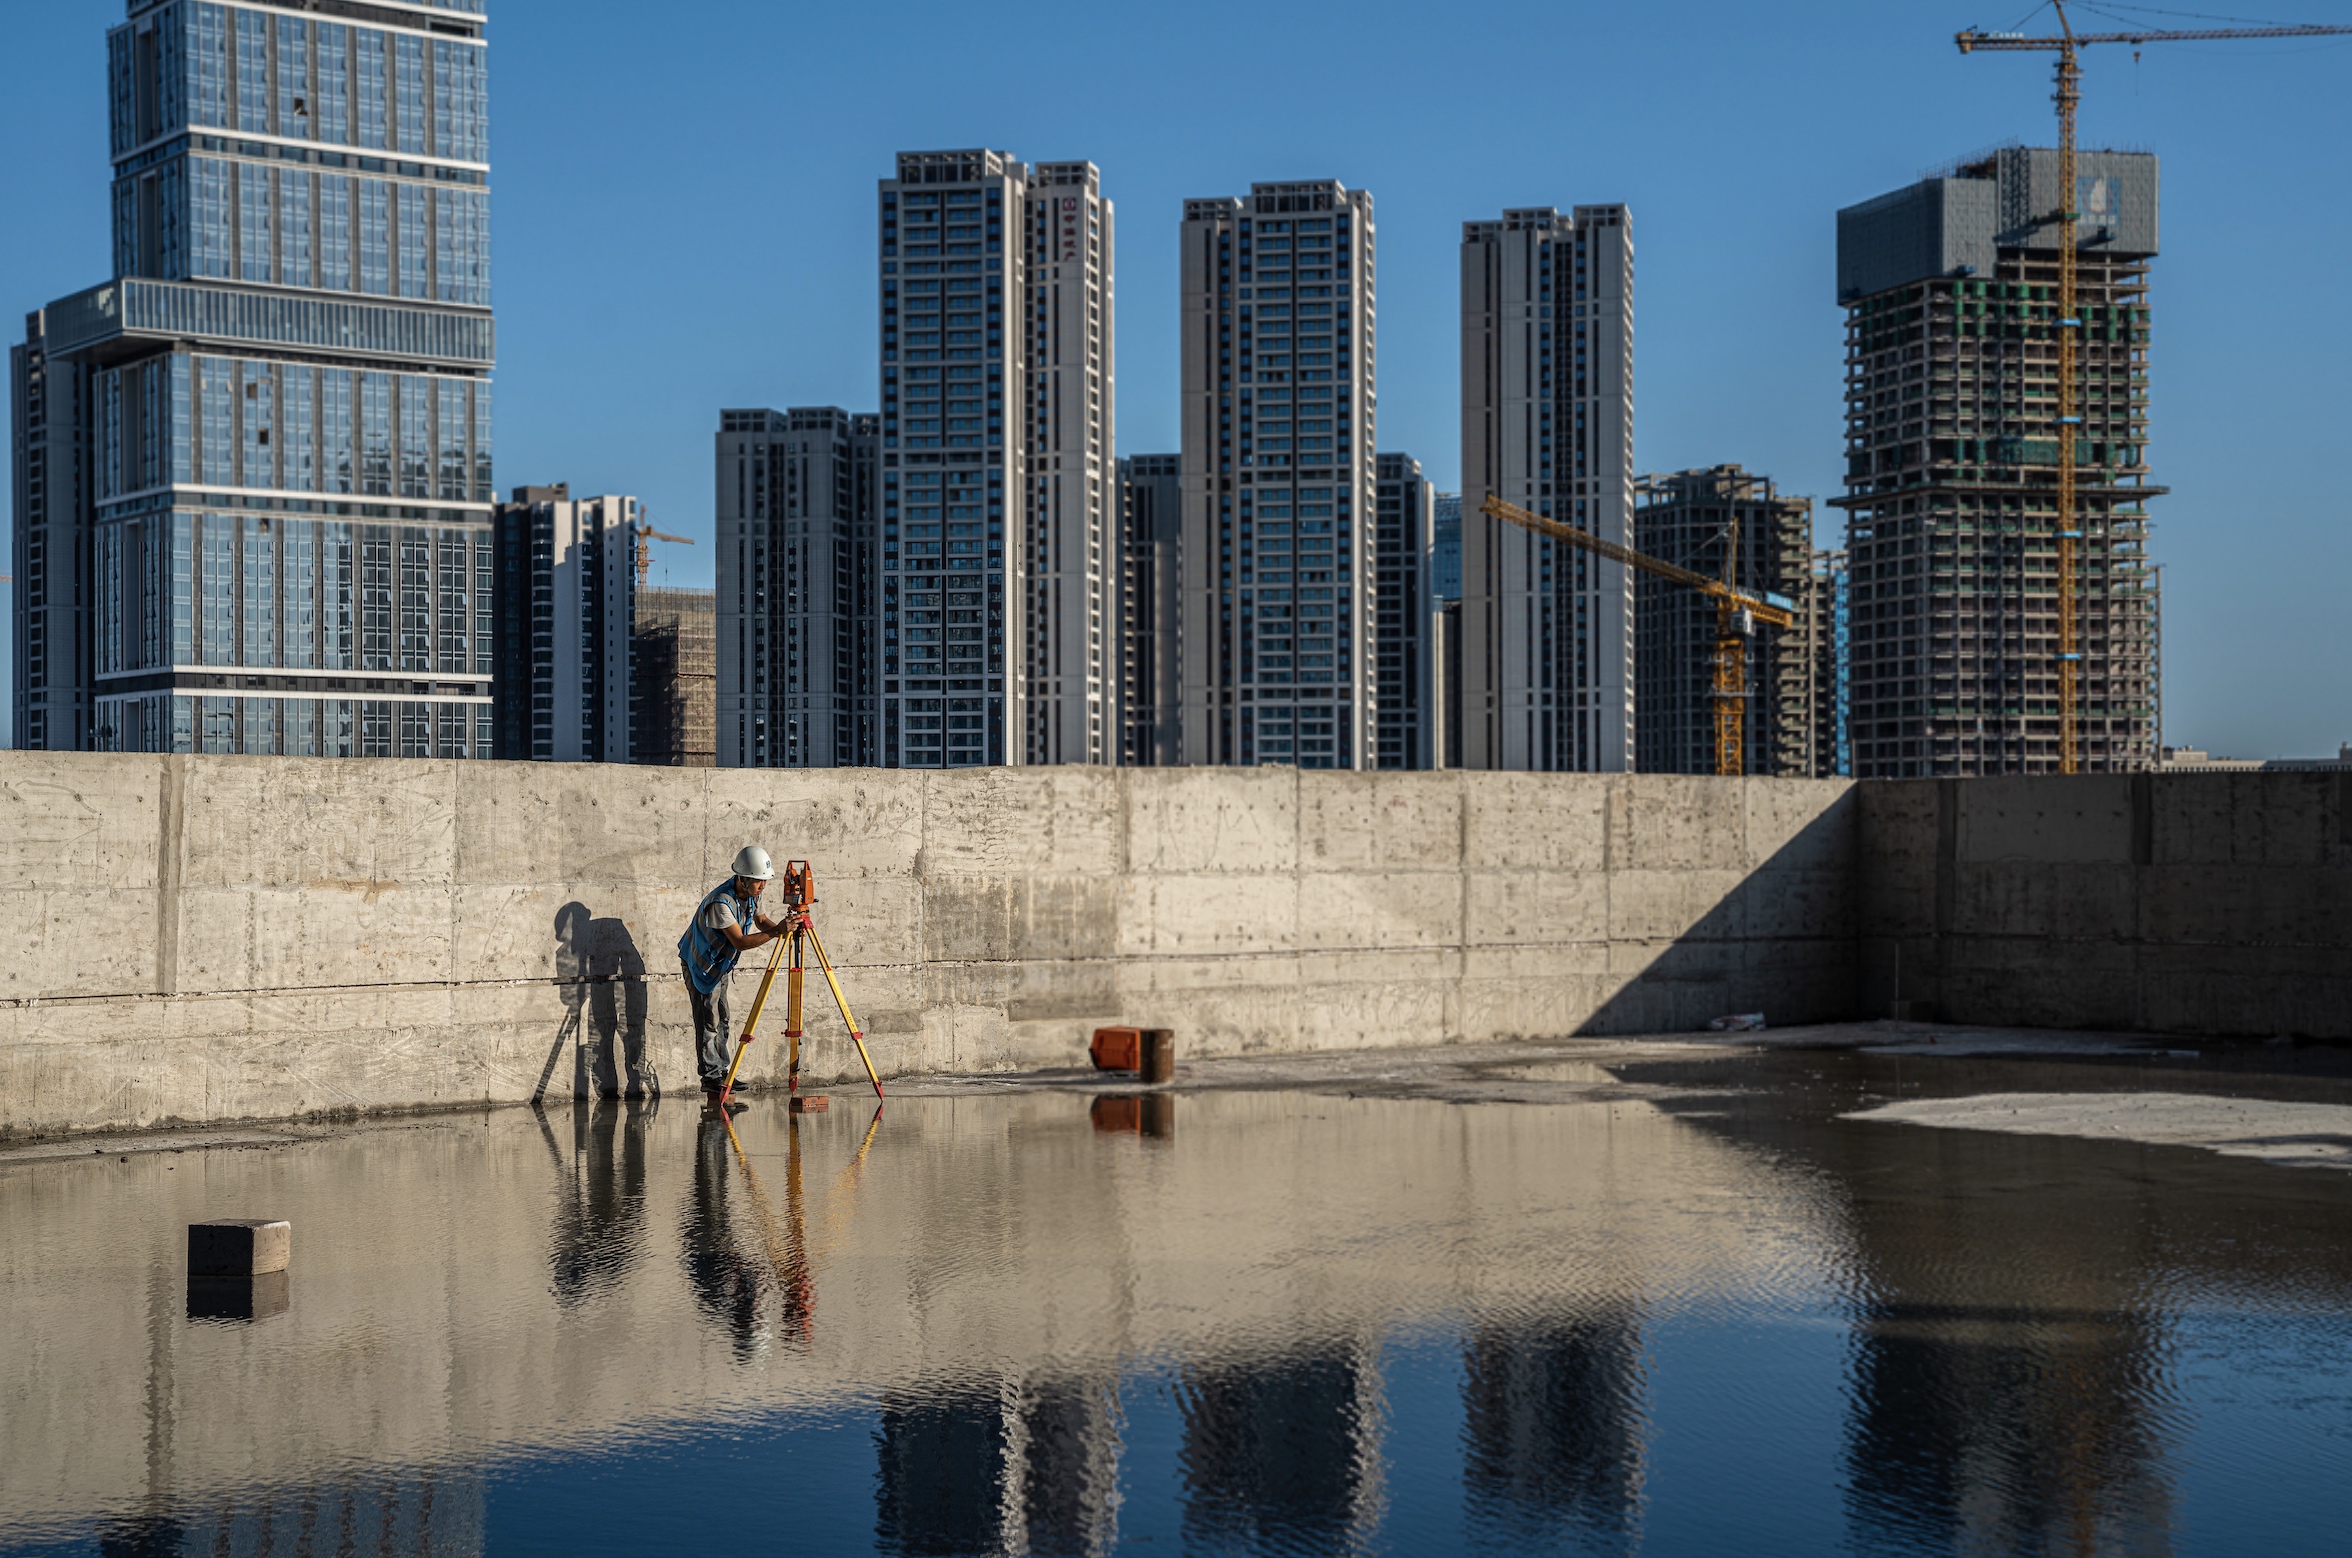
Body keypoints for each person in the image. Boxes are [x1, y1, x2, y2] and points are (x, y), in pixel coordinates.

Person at [678, 845, 793, 1100]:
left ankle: (722, 1073)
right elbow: (740, 941)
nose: (762, 887)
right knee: (709, 1020)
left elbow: (761, 921)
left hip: (718, 964)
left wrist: (784, 930)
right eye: (758, 882)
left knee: (723, 1017)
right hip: (700, 965)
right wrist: (778, 931)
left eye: (764, 882)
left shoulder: (752, 892)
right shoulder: (721, 903)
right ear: (743, 878)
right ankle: (711, 1078)